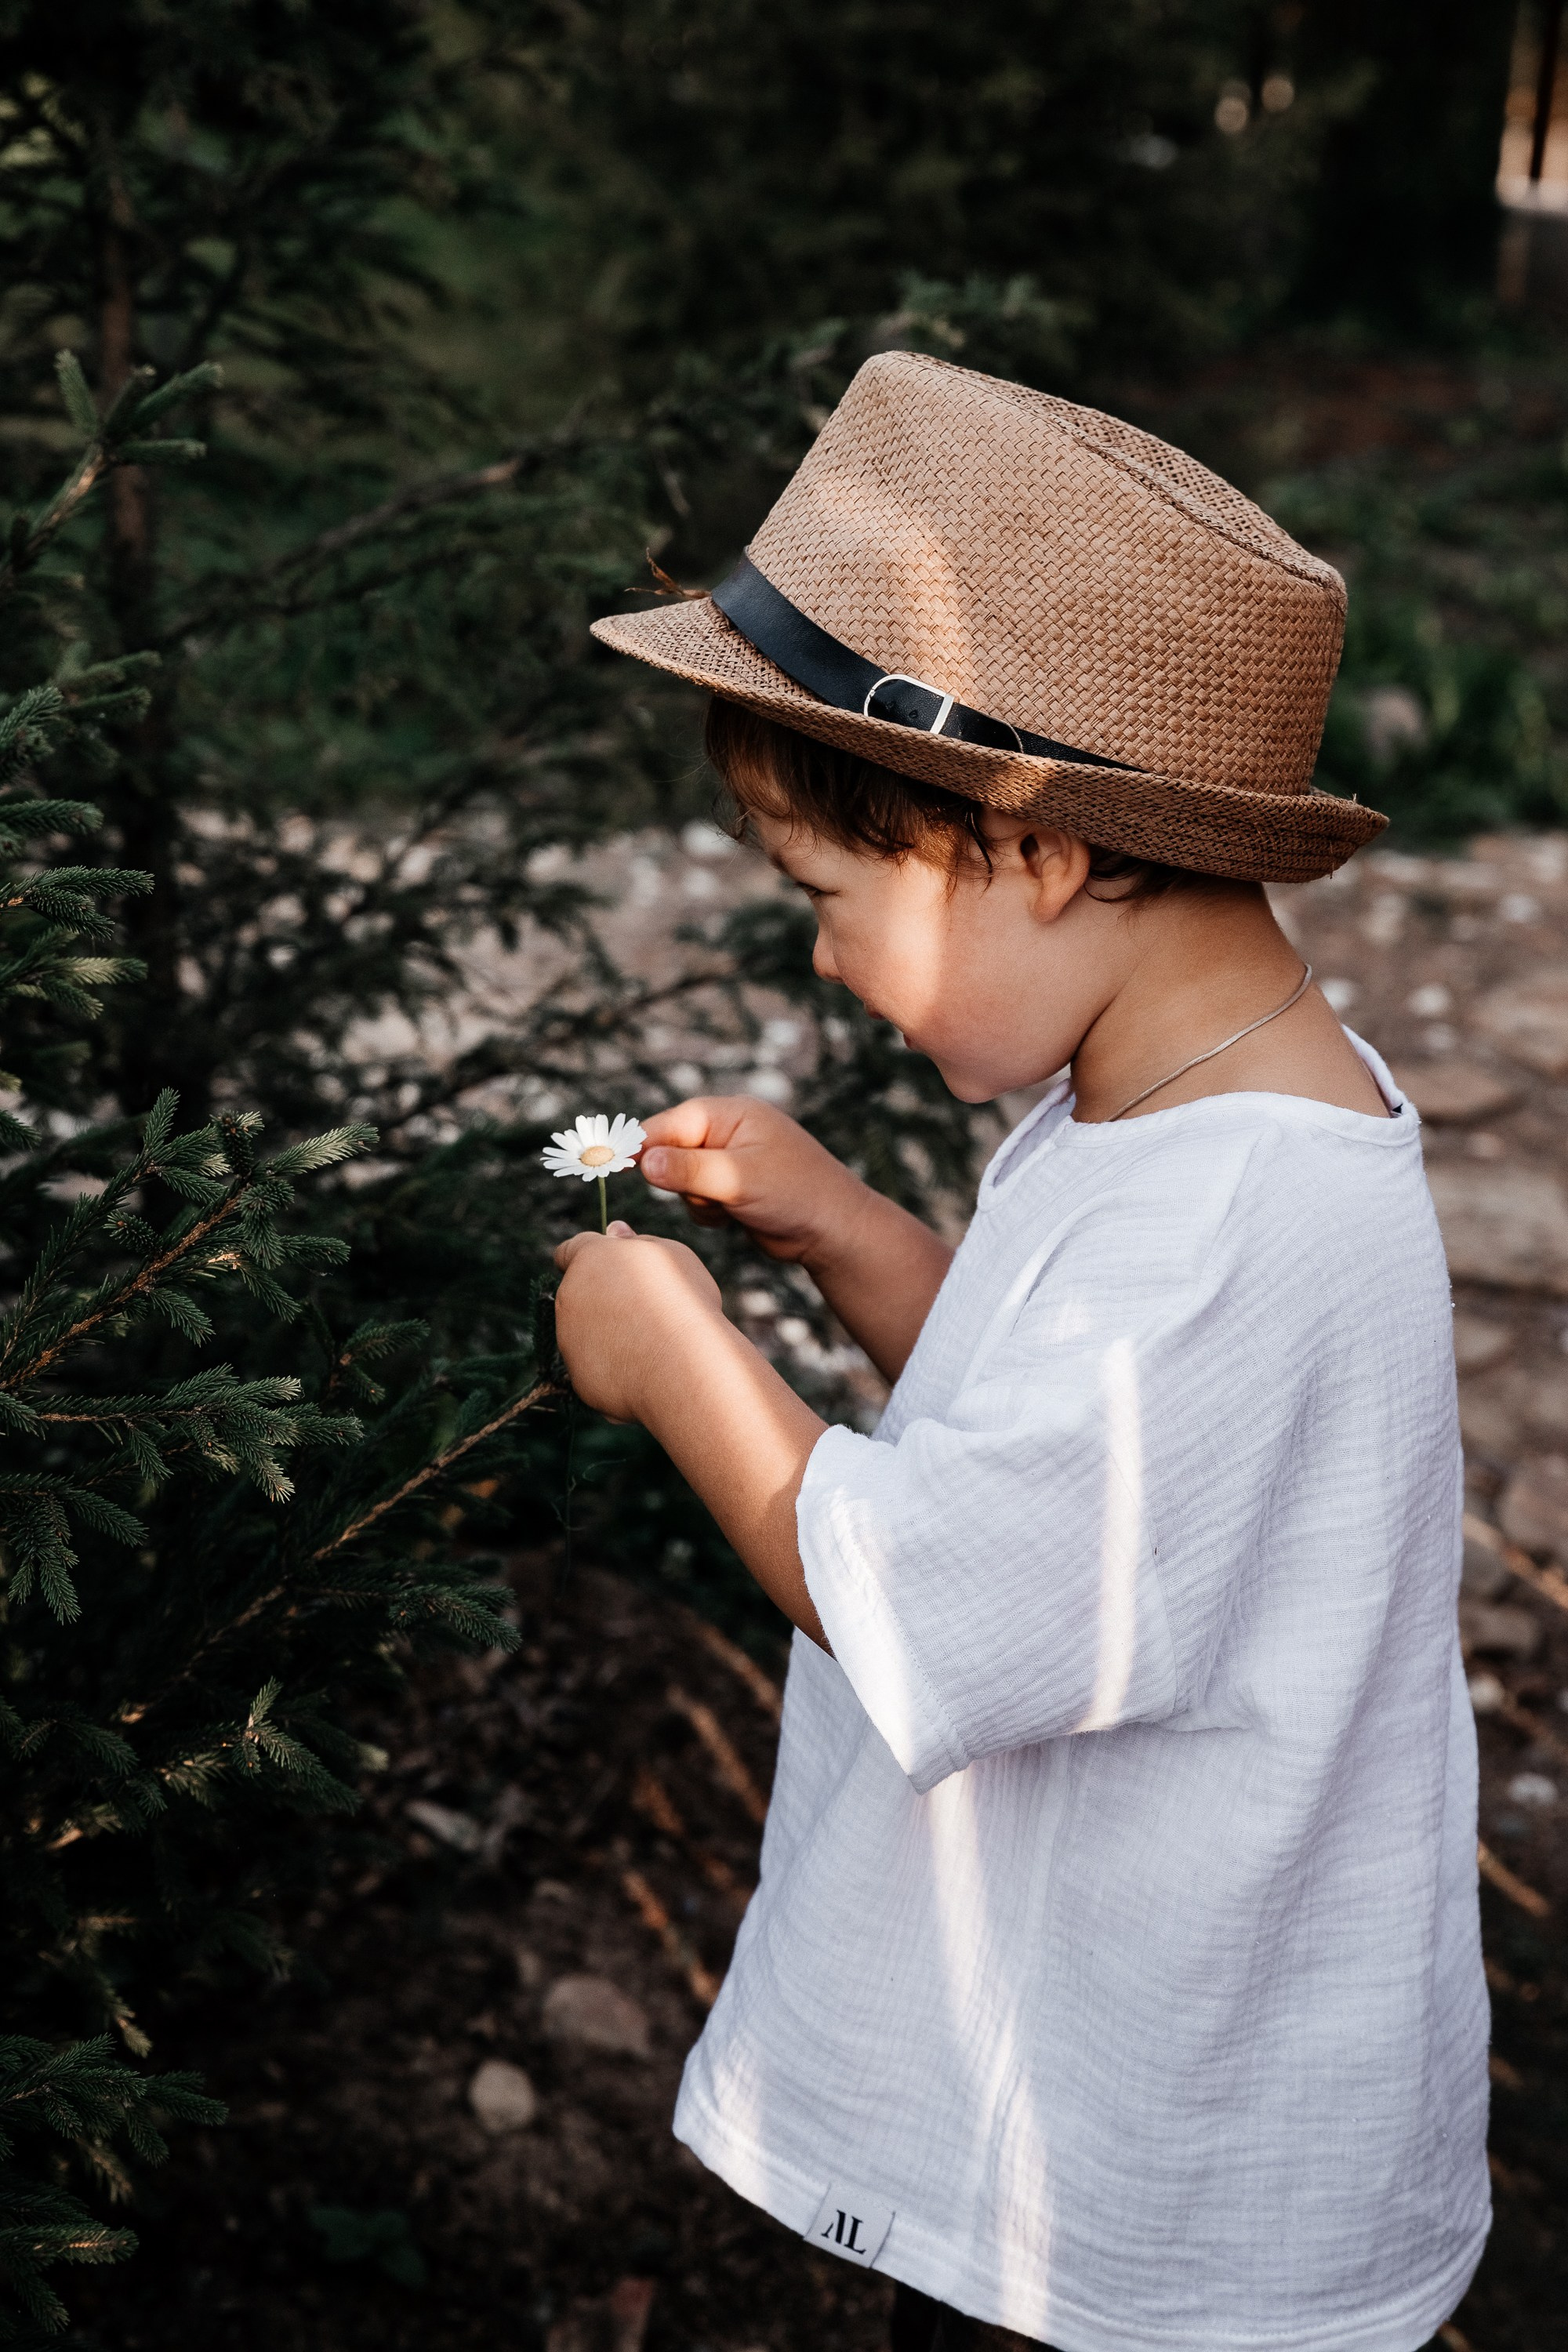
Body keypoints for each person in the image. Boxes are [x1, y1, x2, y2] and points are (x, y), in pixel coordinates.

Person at [554, 353, 1490, 2352]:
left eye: (826, 896)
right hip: (1133, 2117)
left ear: (1033, 849)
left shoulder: (1230, 1222)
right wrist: (856, 1239)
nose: (810, 955)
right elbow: (1086, 1477)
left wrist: (676, 1356)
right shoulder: (1207, 1109)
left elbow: (939, 1606)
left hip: (1127, 2215)